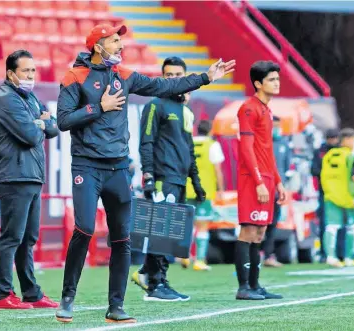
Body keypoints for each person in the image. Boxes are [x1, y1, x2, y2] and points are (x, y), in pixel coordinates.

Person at [54, 24, 235, 323]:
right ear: (98, 45)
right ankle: (68, 298)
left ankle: (116, 306)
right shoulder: (75, 77)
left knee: (123, 239)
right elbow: (63, 120)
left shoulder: (124, 75)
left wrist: (205, 77)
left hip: (118, 168)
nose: (120, 45)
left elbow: (165, 87)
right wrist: (98, 107)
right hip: (86, 166)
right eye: (114, 40)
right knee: (84, 229)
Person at [0, 50, 60, 309]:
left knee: (28, 237)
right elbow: (31, 134)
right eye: (25, 71)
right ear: (10, 74)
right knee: (12, 237)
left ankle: (31, 292)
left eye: (32, 70)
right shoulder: (6, 100)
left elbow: (53, 127)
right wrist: (40, 123)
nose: (30, 76)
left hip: (30, 176)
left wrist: (41, 123)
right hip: (14, 176)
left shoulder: (28, 98)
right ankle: (3, 294)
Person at [130, 57, 206, 302]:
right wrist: (149, 176)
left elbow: (189, 148)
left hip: (180, 178)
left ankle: (148, 275)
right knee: (161, 231)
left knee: (172, 234)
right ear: (163, 77)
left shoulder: (185, 110)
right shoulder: (155, 105)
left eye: (178, 75)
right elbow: (146, 141)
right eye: (169, 75)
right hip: (164, 176)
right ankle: (155, 285)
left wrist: (196, 180)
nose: (173, 79)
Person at [234, 61, 286, 301]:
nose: (277, 83)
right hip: (251, 178)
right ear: (258, 83)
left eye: (277, 79)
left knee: (260, 233)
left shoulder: (267, 110)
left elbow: (267, 150)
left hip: (266, 178)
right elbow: (246, 149)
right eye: (272, 79)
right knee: (248, 231)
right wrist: (258, 181)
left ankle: (254, 285)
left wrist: (278, 181)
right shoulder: (248, 108)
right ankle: (244, 287)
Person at [183, 120, 225, 271]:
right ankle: (200, 260)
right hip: (205, 191)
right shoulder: (212, 145)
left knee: (188, 225)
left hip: (187, 189)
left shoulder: (188, 143)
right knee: (203, 226)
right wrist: (221, 189)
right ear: (210, 131)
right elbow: (217, 169)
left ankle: (185, 256)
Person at [321, 128, 354, 267]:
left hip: (331, 195)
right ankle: (349, 257)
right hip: (348, 197)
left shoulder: (329, 155)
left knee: (331, 226)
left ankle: (330, 257)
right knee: (352, 227)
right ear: (347, 139)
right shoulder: (351, 157)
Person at [261, 115, 292, 267]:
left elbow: (287, 168)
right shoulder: (262, 143)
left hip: (277, 191)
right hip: (262, 189)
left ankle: (268, 255)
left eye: (279, 125)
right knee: (259, 222)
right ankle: (254, 256)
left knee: (273, 223)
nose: (277, 129)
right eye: (275, 126)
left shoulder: (284, 143)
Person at [311, 128, 340, 263]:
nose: (333, 141)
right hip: (325, 192)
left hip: (341, 192)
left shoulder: (342, 152)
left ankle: (340, 252)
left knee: (341, 224)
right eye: (330, 138)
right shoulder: (320, 152)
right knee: (324, 223)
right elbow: (314, 169)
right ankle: (325, 252)